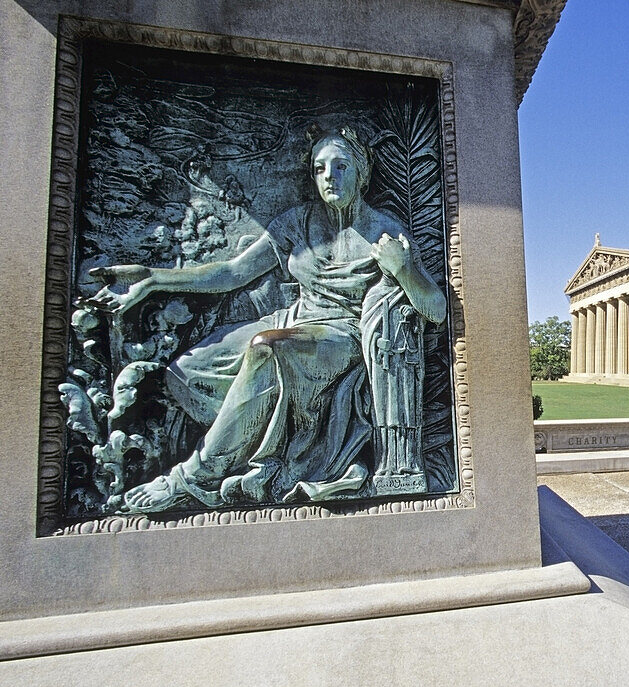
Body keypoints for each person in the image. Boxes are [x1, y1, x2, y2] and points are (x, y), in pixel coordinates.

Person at [86, 125, 447, 512]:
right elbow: (234, 272)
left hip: (343, 336)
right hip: (294, 319)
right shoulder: (297, 222)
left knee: (266, 350)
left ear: (362, 173)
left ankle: (192, 477)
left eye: (341, 166)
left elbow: (437, 310)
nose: (330, 177)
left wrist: (404, 268)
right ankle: (255, 440)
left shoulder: (385, 231)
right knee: (187, 371)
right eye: (320, 169)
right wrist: (155, 279)